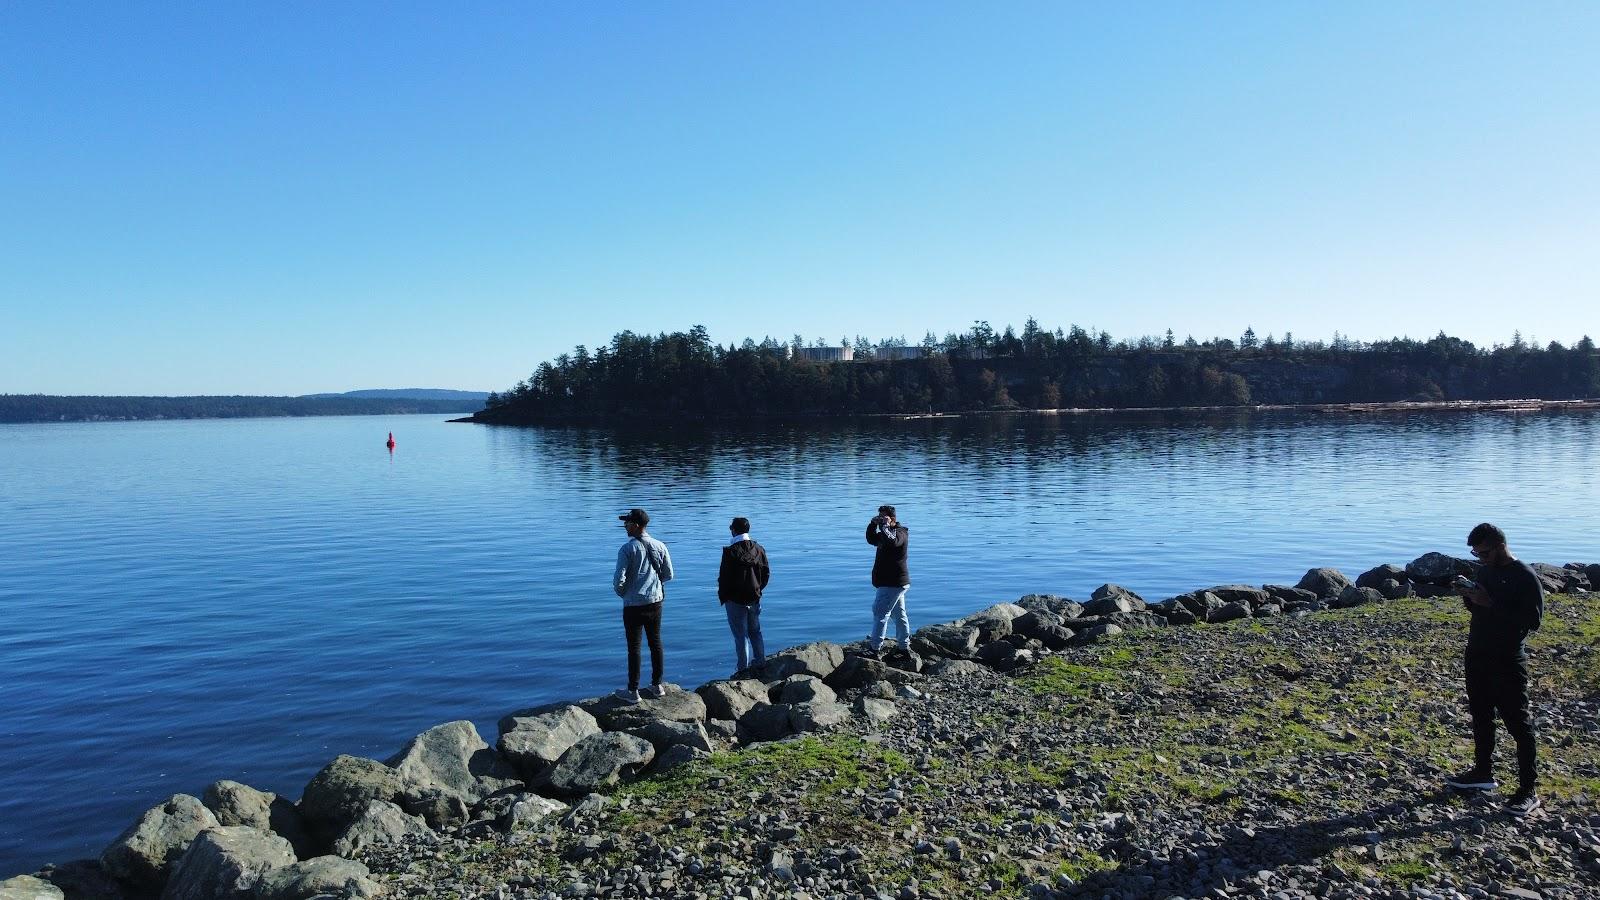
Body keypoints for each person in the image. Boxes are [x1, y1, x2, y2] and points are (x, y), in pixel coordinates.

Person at [1444, 522, 1544, 816]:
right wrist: (1469, 595)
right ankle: (1482, 773)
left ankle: (1528, 790)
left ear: (1500, 546)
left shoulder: (1524, 577)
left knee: (1518, 724)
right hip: (1477, 654)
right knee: (1481, 716)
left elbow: (1531, 622)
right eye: (1477, 555)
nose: (1481, 559)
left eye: (1485, 553)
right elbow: (1481, 609)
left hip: (1508, 659)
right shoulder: (1486, 571)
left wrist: (1490, 601)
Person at [613, 507, 675, 704]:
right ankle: (657, 686)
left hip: (633, 605)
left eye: (627, 523)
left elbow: (618, 581)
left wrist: (624, 593)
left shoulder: (627, 549)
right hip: (655, 602)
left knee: (634, 648)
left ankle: (633, 691)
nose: (625, 526)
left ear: (637, 526)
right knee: (655, 643)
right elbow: (668, 575)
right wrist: (654, 587)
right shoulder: (660, 545)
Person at [717, 516, 771, 674]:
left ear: (733, 530)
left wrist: (724, 596)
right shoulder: (759, 549)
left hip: (735, 599)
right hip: (754, 598)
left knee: (740, 636)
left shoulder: (730, 552)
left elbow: (724, 578)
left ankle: (743, 669)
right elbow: (766, 573)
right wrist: (758, 589)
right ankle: (760, 662)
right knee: (755, 632)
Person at [865, 504, 911, 656]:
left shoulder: (901, 533)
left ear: (892, 519)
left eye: (884, 517)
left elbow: (893, 541)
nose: (881, 520)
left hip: (892, 582)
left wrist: (885, 525)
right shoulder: (884, 535)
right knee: (899, 615)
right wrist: (873, 524)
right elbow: (871, 539)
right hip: (893, 583)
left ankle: (875, 649)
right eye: (880, 516)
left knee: (880, 613)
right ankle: (904, 648)